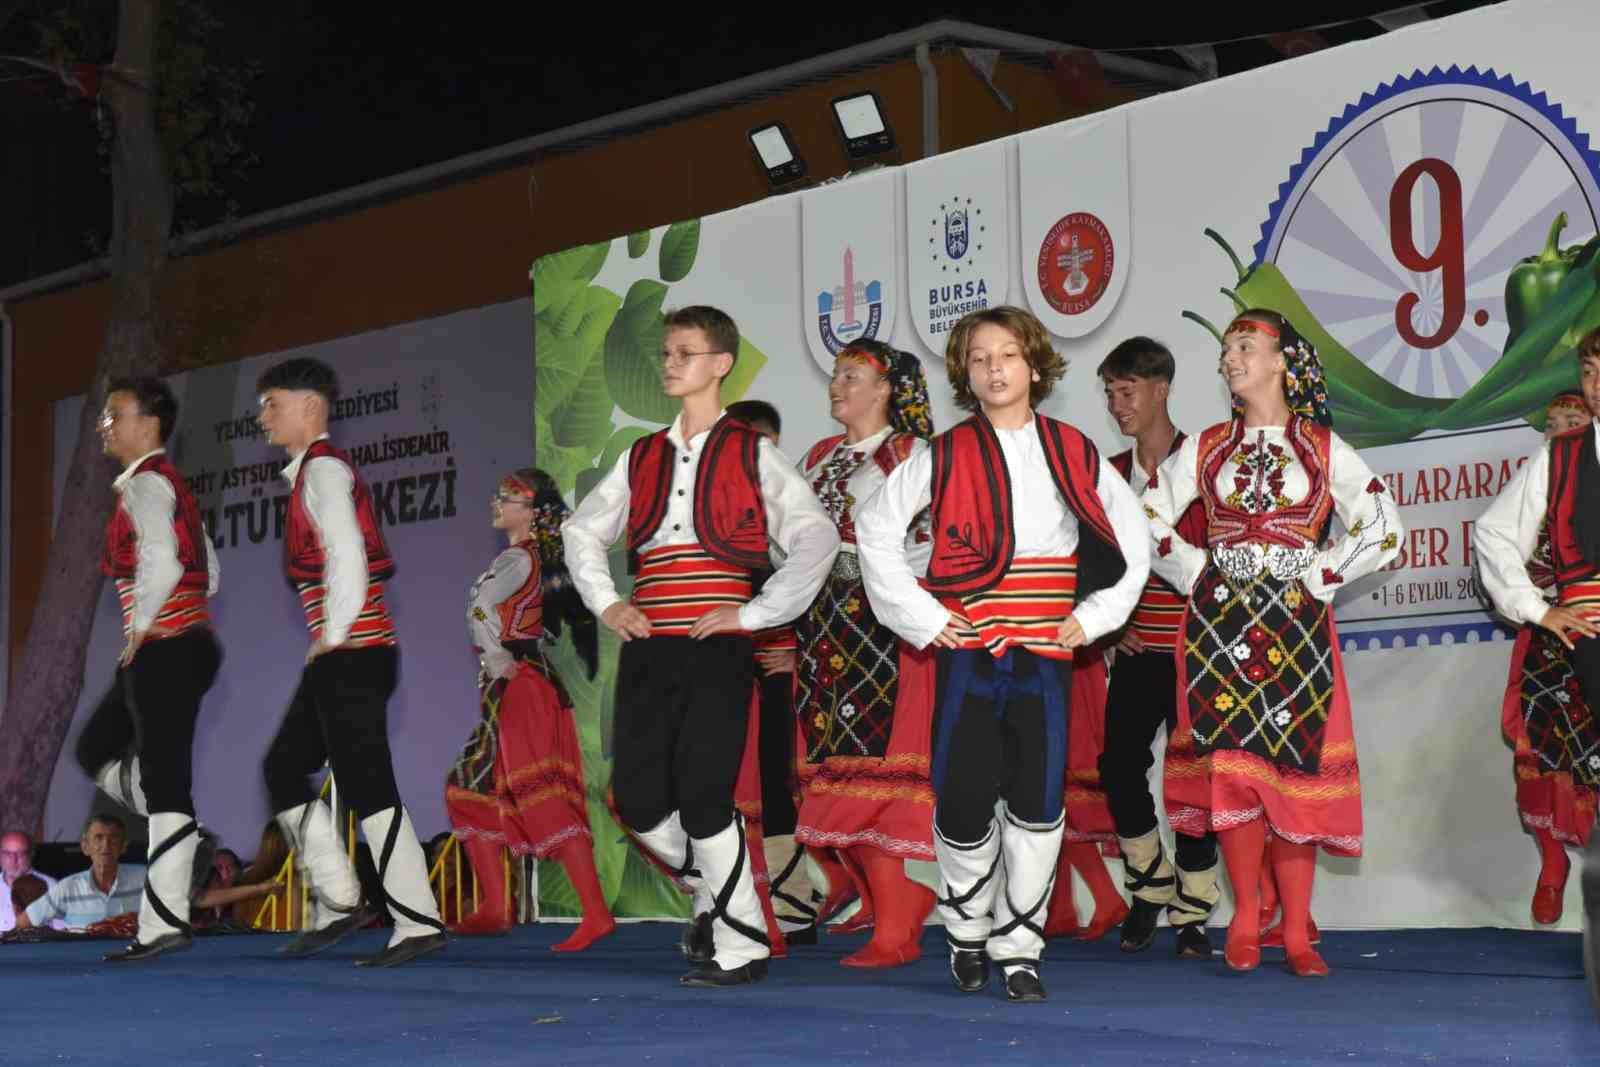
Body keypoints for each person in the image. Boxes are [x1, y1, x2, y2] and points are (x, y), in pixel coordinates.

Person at [856, 306, 1150, 1002]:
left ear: (1035, 365)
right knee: (961, 800)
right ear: (965, 371)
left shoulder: (1071, 448)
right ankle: (966, 928)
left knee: (1038, 802)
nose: (995, 368)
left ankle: (1020, 945)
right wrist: (927, 618)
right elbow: (876, 530)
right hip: (971, 652)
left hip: (1045, 653)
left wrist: (1094, 615)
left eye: (1009, 355)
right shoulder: (942, 453)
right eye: (981, 357)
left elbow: (1134, 540)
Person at [563, 306, 839, 986]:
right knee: (635, 793)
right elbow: (580, 532)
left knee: (706, 791)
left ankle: (740, 944)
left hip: (716, 644)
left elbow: (815, 535)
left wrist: (756, 613)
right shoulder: (643, 454)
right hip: (652, 640)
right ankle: (717, 890)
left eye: (684, 351)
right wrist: (609, 602)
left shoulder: (752, 451)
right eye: (665, 352)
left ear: (720, 364)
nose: (668, 363)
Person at [1144, 308, 1401, 977]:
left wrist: (1321, 569)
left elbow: (1383, 523)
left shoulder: (1319, 445)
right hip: (1218, 626)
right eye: (1227, 347)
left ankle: (1295, 929)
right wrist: (1195, 566)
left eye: (1246, 346)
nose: (1231, 357)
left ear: (1283, 362)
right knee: (1233, 769)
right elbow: (1140, 515)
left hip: (1297, 626)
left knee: (1293, 772)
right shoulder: (1202, 445)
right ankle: (1247, 918)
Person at [255, 356, 445, 967]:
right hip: (346, 656)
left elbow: (347, 553)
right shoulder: (311, 472)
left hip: (354, 654)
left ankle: (415, 920)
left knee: (368, 785)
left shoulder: (325, 470)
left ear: (310, 407)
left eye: (273, 403)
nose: (264, 416)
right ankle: (339, 897)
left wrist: (333, 633)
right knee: (285, 766)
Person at [792, 339, 939, 969]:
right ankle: (896, 906)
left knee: (871, 770)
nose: (836, 386)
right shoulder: (820, 457)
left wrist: (896, 601)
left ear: (885, 389)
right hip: (823, 628)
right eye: (835, 375)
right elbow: (793, 542)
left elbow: (932, 543)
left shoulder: (911, 454)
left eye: (851, 376)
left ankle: (898, 920)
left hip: (881, 627)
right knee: (832, 769)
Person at [72, 376, 223, 962]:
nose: (105, 425)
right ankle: (181, 827)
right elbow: (208, 566)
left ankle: (163, 924)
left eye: (114, 415)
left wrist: (143, 625)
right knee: (97, 751)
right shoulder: (165, 484)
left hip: (164, 646)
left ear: (148, 423)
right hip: (179, 645)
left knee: (162, 780)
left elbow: (163, 557)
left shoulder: (147, 485)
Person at [445, 467, 615, 952]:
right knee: (468, 786)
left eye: (507, 498)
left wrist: (495, 653)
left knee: (540, 795)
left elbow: (478, 604)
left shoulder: (520, 560)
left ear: (530, 511)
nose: (496, 504)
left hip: (520, 686)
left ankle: (596, 913)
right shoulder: (533, 559)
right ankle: (496, 907)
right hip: (522, 685)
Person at [1090, 337, 1220, 958]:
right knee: (1118, 765)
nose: (1118, 404)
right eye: (1111, 393)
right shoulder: (1109, 474)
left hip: (1202, 650)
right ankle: (1148, 885)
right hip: (1140, 649)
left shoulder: (1205, 465)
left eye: (1128, 391)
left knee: (1198, 778)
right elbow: (1087, 561)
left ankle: (1192, 909)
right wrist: (1112, 626)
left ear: (1160, 389)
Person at [1476, 339, 1600, 922]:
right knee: (1552, 754)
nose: (1595, 383)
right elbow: (1494, 535)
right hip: (1579, 641)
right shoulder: (1561, 459)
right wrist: (1537, 606)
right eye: (1589, 370)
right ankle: (1555, 866)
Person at [723, 400, 821, 942]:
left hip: (783, 671)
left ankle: (793, 907)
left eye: (755, 446)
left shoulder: (796, 514)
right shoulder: (713, 513)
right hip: (729, 668)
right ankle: (739, 902)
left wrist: (801, 652)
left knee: (779, 784)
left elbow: (827, 589)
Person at [19, 816, 145, 931]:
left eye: (113, 838)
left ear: (123, 847)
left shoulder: (145, 879)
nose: (106, 845)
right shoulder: (68, 887)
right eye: (98, 838)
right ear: (85, 847)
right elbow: (23, 922)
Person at [1, 831, 57, 933]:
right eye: (7, 853)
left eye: (20, 853)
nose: (14, 860)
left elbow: (62, 931)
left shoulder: (51, 886)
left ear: (31, 854)